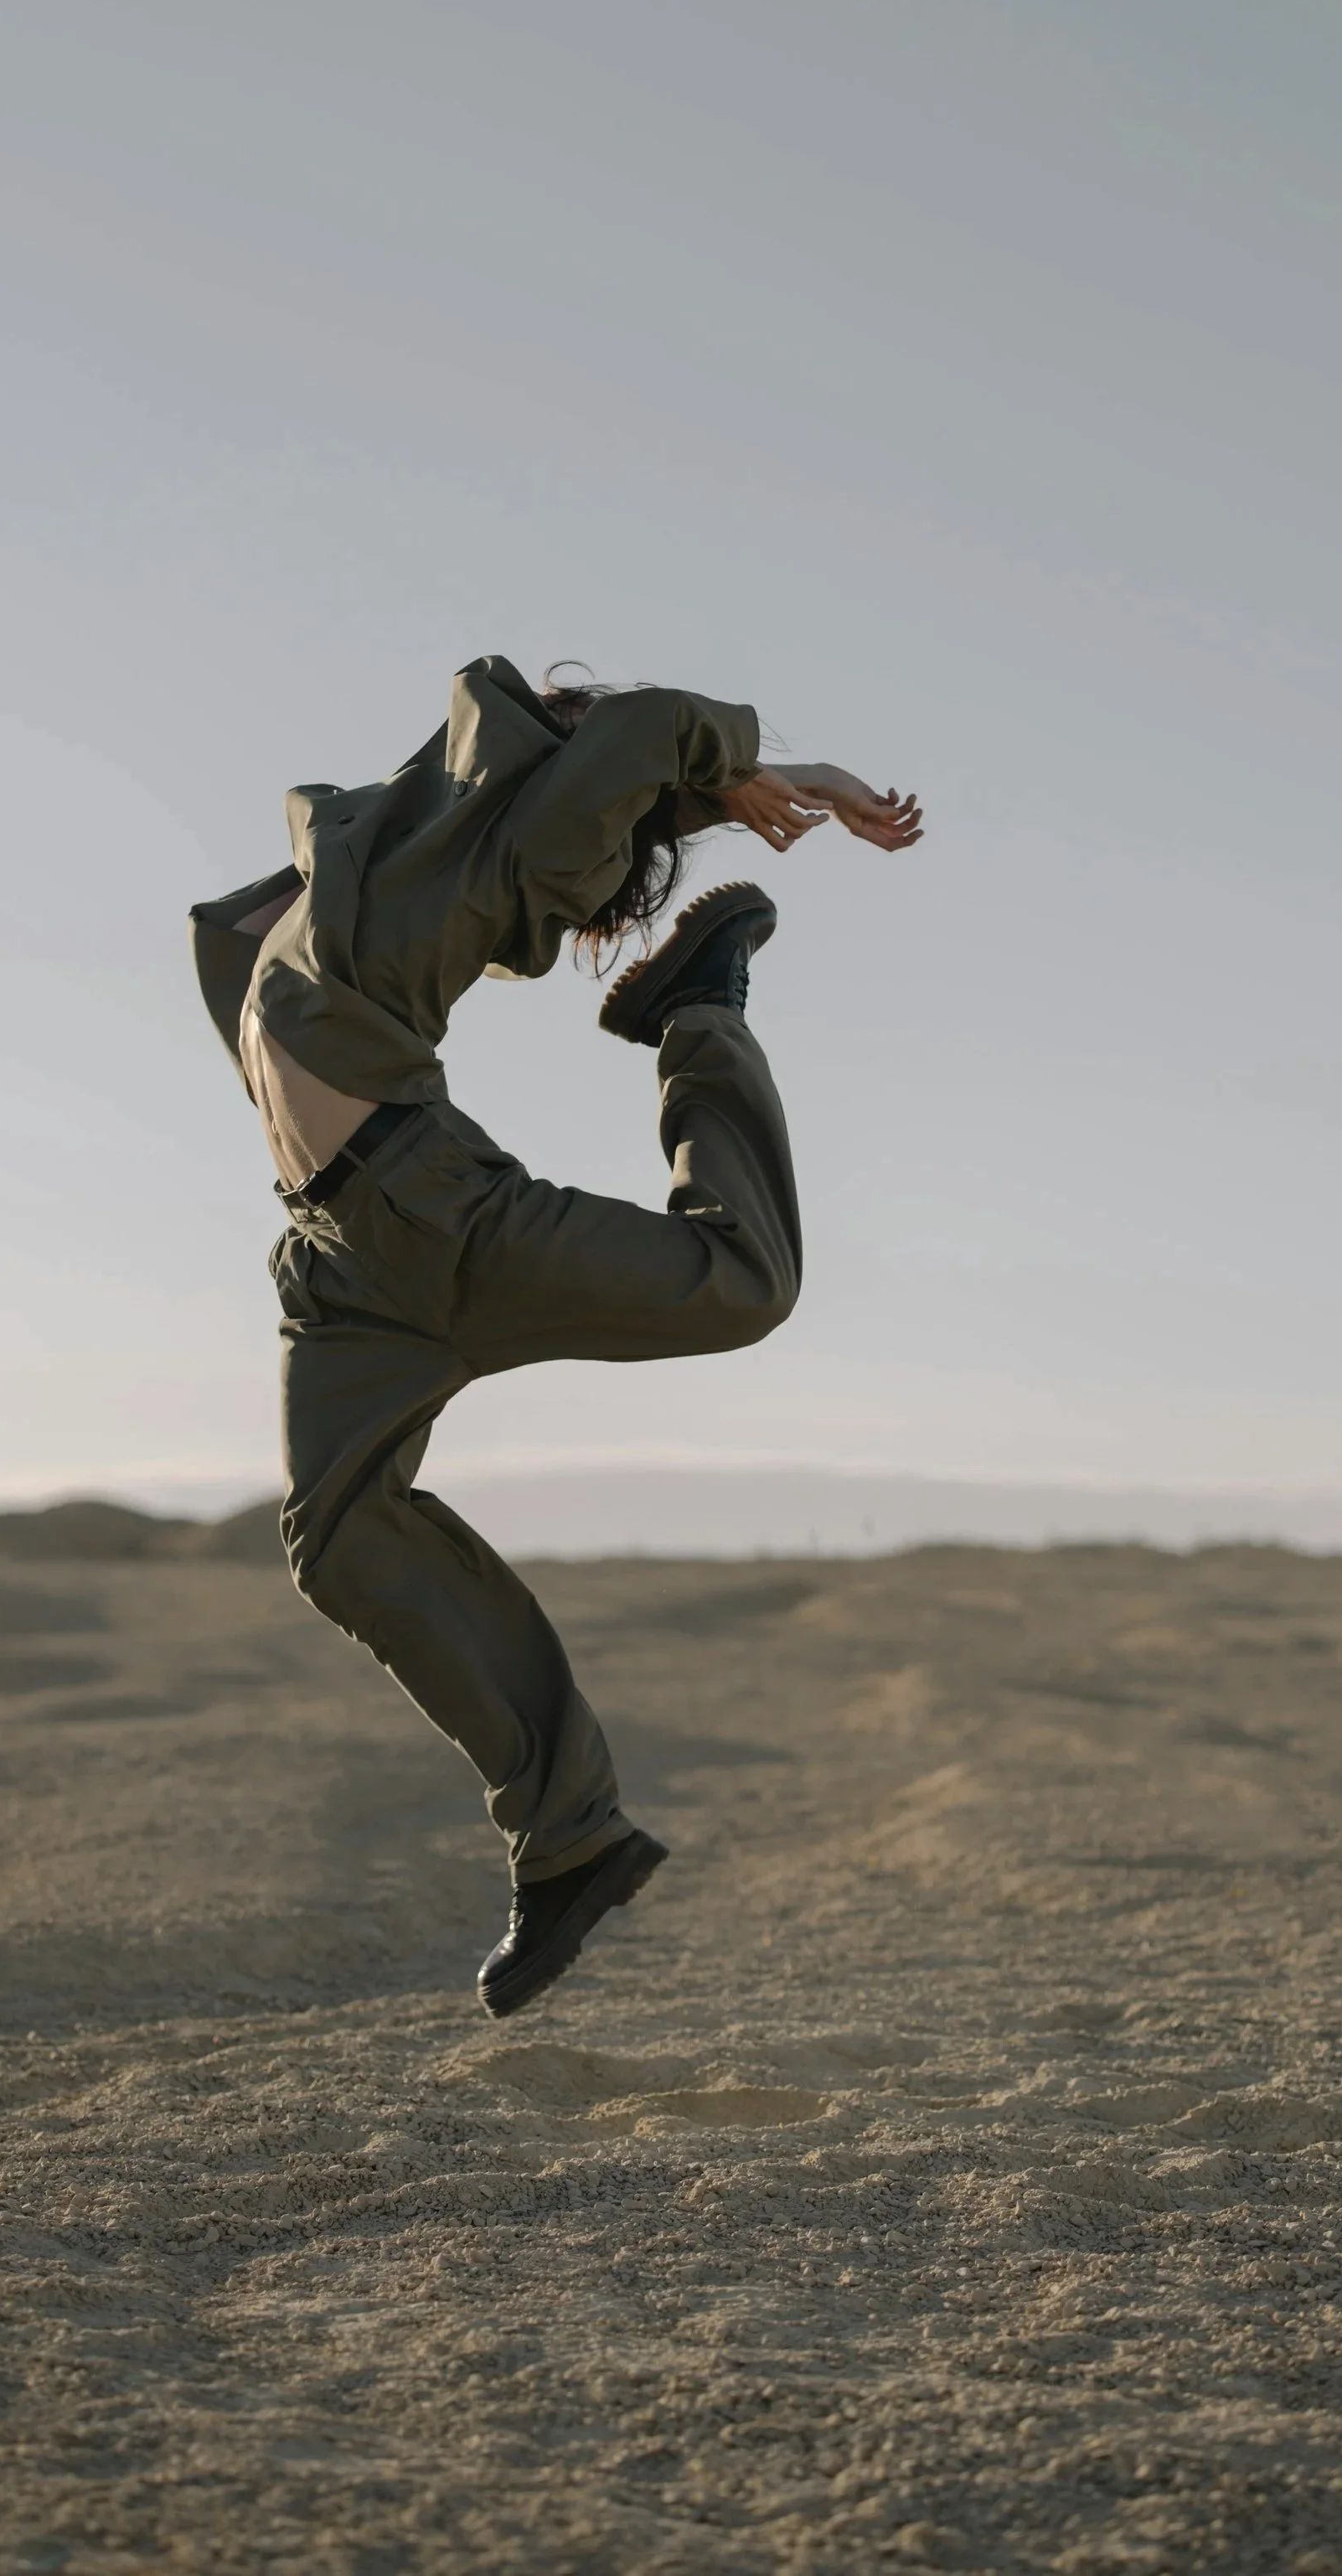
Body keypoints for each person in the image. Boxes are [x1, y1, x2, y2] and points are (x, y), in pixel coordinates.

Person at [190, 657, 921, 2017]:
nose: (584, 907)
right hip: (366, 1250)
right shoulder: (474, 841)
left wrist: (702, 796)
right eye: (609, 866)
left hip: (414, 1212)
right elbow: (637, 731)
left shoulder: (388, 845)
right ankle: (574, 1838)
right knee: (341, 1538)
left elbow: (607, 759)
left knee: (743, 1284)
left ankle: (699, 1008)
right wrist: (772, 771)